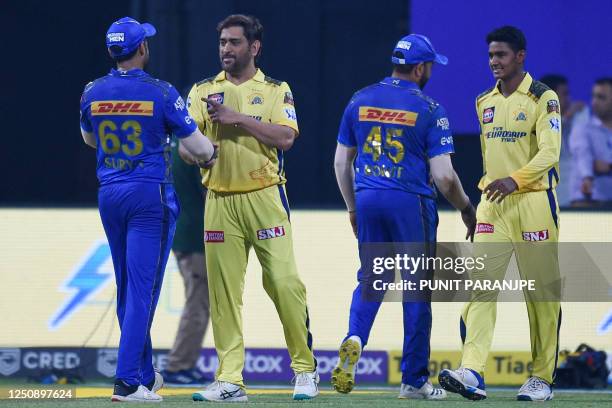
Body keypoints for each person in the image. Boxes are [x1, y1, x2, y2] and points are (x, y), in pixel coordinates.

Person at [332, 34, 476, 400]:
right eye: (430, 66)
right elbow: (444, 176)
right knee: (416, 290)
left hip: (367, 199)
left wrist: (352, 206)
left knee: (372, 280)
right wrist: (466, 208)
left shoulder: (359, 99)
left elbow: (340, 162)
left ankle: (354, 337)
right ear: (420, 68)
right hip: (410, 203)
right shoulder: (429, 109)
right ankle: (413, 381)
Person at [79, 17, 216, 402]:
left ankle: (140, 373)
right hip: (149, 197)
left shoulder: (92, 91)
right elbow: (202, 150)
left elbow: (91, 140)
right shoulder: (161, 92)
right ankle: (127, 382)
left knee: (128, 287)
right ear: (142, 49)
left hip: (110, 192)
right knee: (142, 290)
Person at [186, 15, 318, 402]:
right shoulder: (203, 90)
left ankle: (305, 370)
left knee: (283, 282)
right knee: (223, 294)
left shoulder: (276, 89)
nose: (226, 49)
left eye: (234, 43)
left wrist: (237, 119)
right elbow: (184, 142)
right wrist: (198, 154)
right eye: (222, 42)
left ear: (254, 47)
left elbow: (286, 138)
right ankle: (230, 380)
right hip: (219, 201)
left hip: (264, 196)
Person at [438, 26, 562, 402]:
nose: (494, 62)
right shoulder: (483, 101)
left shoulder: (544, 97)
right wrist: (488, 196)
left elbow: (550, 153)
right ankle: (472, 370)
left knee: (541, 294)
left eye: (502, 55)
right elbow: (491, 156)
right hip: (493, 203)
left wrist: (515, 180)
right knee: (481, 286)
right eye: (491, 55)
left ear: (520, 56)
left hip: (535, 202)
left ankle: (541, 378)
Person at [161, 140, 211, 385]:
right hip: (194, 237)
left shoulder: (171, 148)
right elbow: (209, 190)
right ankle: (178, 365)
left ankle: (184, 364)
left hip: (182, 233)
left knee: (199, 304)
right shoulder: (195, 149)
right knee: (198, 305)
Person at [539, 75, 589, 206]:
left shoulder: (577, 115)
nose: (569, 99)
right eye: (565, 94)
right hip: (552, 191)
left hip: (576, 188)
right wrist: (566, 117)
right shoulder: (535, 119)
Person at [570, 78, 612, 206]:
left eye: (601, 97)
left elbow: (602, 166)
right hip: (587, 200)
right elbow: (584, 156)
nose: (594, 102)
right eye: (593, 96)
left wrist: (608, 167)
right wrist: (587, 177)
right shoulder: (582, 128)